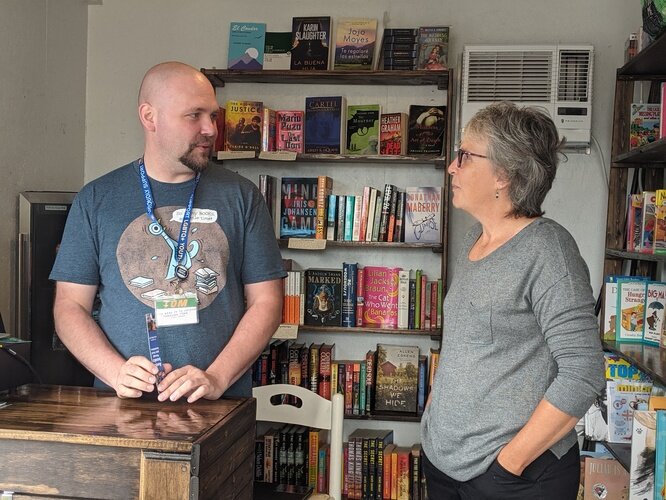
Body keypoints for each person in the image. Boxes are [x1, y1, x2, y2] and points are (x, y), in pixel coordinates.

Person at [50, 61, 286, 403]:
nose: (210, 129)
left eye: (213, 117)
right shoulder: (97, 199)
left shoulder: (242, 196)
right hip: (122, 406)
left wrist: (217, 378)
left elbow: (267, 302)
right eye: (194, 116)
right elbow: (70, 306)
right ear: (150, 117)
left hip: (218, 407)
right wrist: (115, 372)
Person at [420, 101, 605, 499]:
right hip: (444, 461)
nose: (452, 167)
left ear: (503, 174)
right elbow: (465, 342)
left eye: (465, 156)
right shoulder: (475, 239)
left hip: (509, 480)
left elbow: (583, 373)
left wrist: (510, 464)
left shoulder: (549, 250)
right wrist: (435, 410)